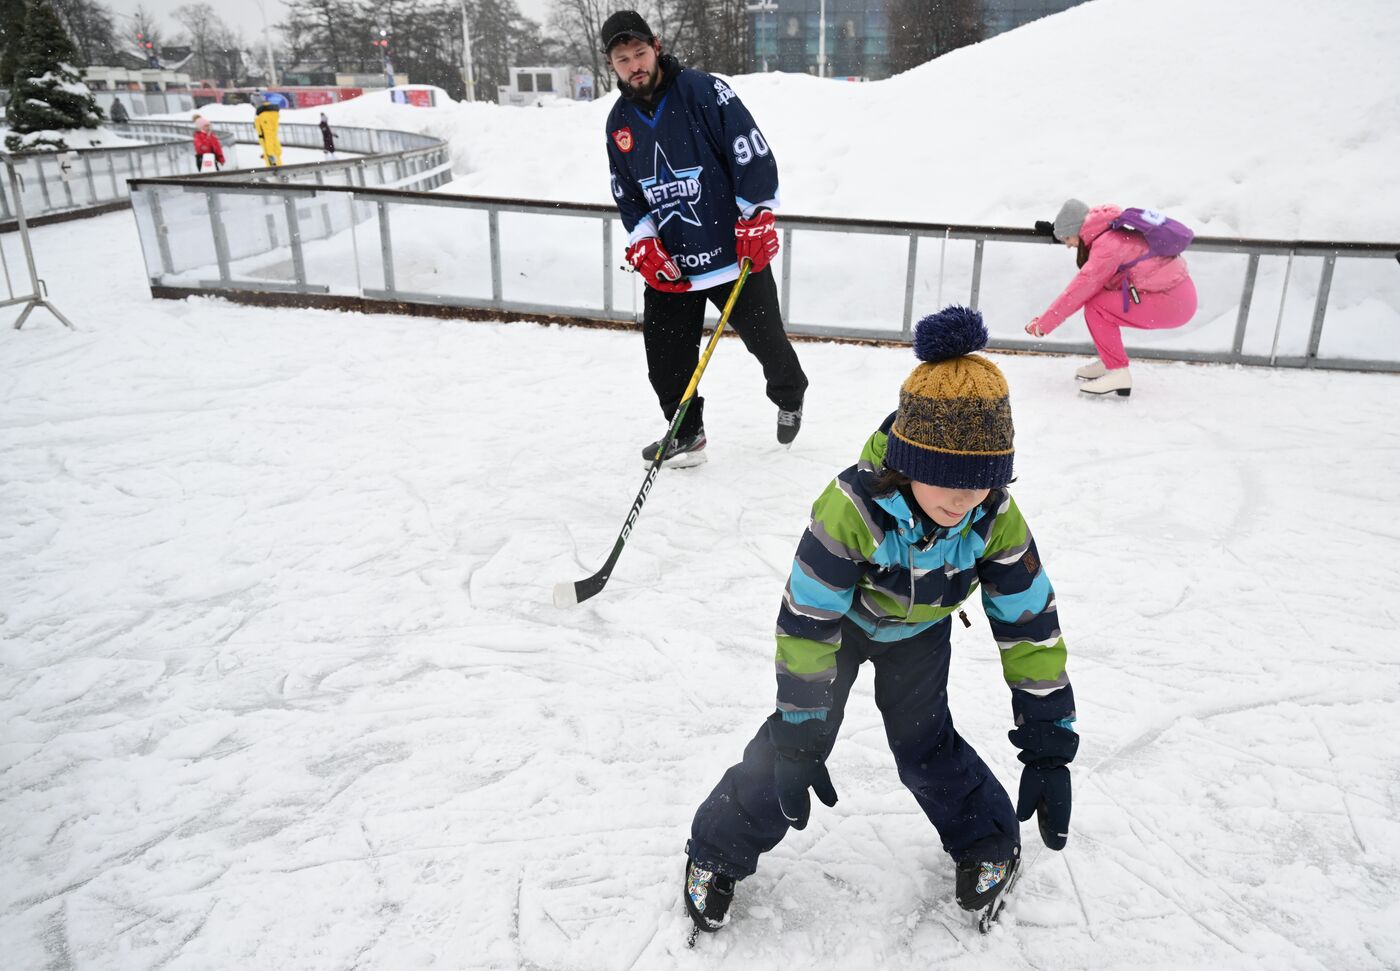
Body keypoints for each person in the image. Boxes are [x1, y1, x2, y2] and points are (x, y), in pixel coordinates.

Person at [683, 306, 1078, 936]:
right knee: (791, 745)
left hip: (920, 634)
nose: (963, 500)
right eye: (948, 480)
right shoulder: (851, 509)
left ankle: (987, 842)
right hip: (839, 632)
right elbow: (807, 621)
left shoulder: (993, 517)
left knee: (925, 747)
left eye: (981, 484)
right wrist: (802, 726)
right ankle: (715, 852)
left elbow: (1029, 622)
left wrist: (1049, 739)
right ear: (908, 459)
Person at [601, 10, 809, 467]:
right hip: (673, 268)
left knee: (768, 343)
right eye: (622, 58)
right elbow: (629, 195)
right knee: (665, 359)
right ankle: (686, 432)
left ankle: (791, 394)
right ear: (611, 65)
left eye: (639, 52)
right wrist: (643, 241)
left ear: (655, 46)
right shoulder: (618, 124)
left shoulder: (701, 90)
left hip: (733, 255)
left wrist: (757, 214)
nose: (634, 64)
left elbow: (749, 150)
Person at [1024, 199, 1198, 396]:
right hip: (1176, 292)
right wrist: (1057, 230)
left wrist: (1044, 324)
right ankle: (1111, 362)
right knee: (1099, 302)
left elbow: (1078, 290)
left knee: (1097, 307)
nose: (1068, 245)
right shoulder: (1106, 227)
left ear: (1076, 231)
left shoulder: (1107, 247)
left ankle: (1118, 372)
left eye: (1067, 240)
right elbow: (1079, 230)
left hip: (1171, 302)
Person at [255, 99, 282, 167]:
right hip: (272, 142)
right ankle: (280, 170)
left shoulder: (264, 116)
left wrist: (269, 152)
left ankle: (276, 172)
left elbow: (268, 134)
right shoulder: (272, 114)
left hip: (267, 143)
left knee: (272, 158)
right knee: (276, 155)